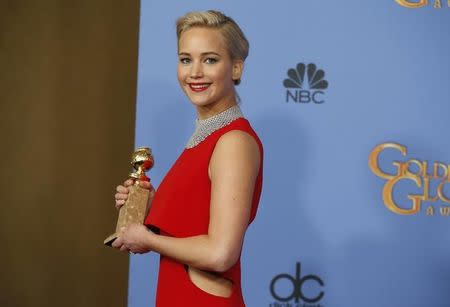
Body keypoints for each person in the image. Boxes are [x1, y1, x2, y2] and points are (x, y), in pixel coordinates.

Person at [112, 10, 263, 307]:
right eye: (185, 59)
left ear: (236, 68)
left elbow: (221, 253)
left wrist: (147, 239)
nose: (194, 72)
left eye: (210, 59)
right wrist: (148, 206)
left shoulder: (233, 141)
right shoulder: (205, 138)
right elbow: (195, 223)